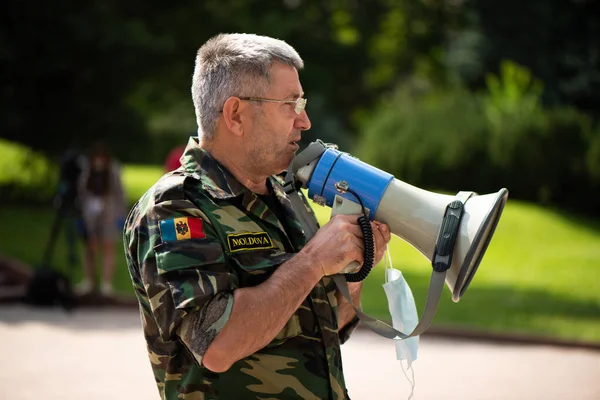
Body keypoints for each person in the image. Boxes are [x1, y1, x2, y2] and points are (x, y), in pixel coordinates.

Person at [123, 33, 391, 400]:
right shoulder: (174, 206)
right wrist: (314, 260)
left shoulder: (286, 195)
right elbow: (216, 344)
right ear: (236, 114)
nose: (305, 121)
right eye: (291, 104)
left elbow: (332, 322)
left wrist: (355, 264)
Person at [77, 143, 126, 296]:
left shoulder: (113, 171)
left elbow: (120, 194)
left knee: (107, 247)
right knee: (89, 247)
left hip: (109, 214)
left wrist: (121, 216)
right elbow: (81, 193)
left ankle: (106, 283)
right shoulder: (87, 172)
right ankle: (89, 280)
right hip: (90, 216)